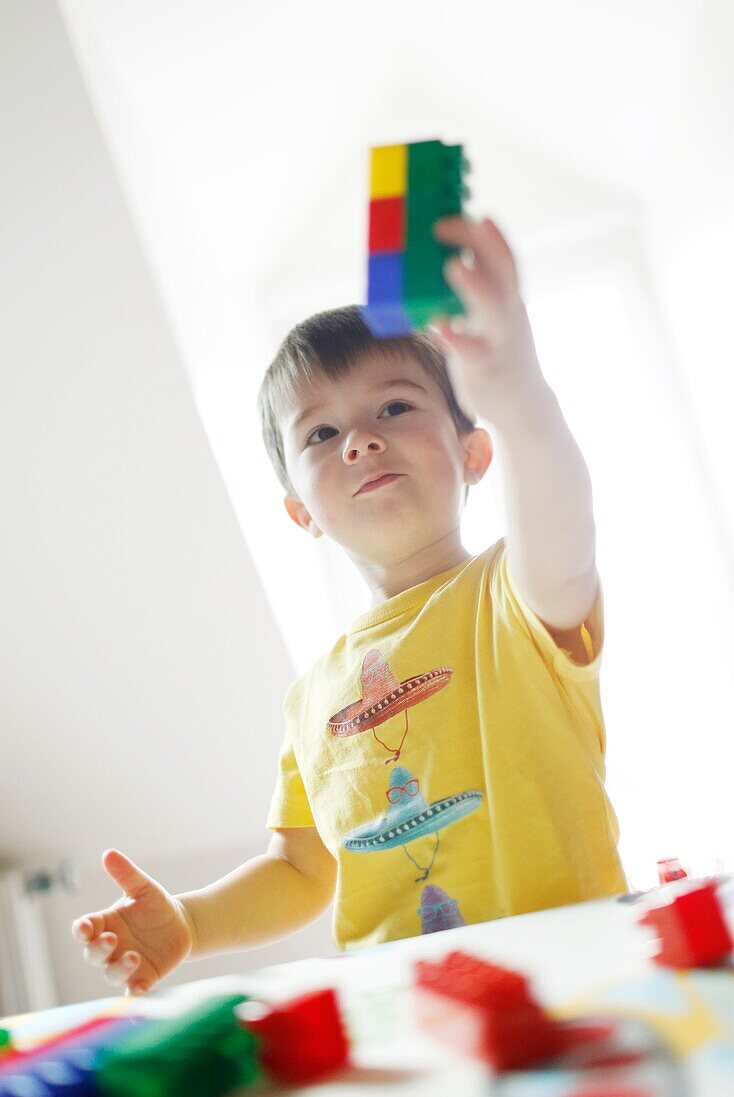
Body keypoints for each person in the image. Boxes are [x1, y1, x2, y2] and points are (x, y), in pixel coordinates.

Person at [71, 216, 628, 995]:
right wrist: (193, 923)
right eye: (323, 432)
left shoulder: (514, 592)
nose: (360, 441)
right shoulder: (310, 701)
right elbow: (299, 870)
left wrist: (520, 398)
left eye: (394, 408)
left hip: (578, 988)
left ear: (473, 452)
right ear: (301, 510)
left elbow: (562, 518)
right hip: (410, 1014)